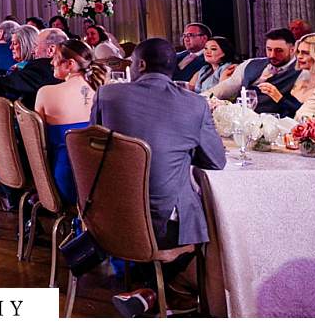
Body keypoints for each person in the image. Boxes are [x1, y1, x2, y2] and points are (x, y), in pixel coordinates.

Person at [92, 38, 226, 317]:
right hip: (163, 229)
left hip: (109, 218)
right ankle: (176, 297)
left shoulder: (107, 95)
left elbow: (93, 149)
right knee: (211, 216)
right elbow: (216, 161)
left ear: (140, 64)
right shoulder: (195, 105)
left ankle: (149, 293)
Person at [33, 39, 106, 205]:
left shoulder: (45, 93)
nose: (51, 62)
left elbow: (38, 145)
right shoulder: (102, 90)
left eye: (55, 58)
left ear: (70, 64)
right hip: (100, 180)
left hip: (66, 180)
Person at [204, 28, 300, 113]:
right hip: (240, 117)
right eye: (269, 49)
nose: (272, 55)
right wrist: (200, 99)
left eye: (279, 51)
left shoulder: (301, 72)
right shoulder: (250, 64)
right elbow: (225, 88)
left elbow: (298, 108)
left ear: (292, 50)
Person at [0, 25, 60, 110]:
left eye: (35, 46)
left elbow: (6, 84)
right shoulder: (27, 68)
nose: (32, 51)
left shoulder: (39, 68)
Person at [260, 33, 315, 118]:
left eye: (305, 53)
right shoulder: (300, 78)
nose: (299, 56)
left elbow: (307, 116)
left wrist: (279, 98)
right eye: (298, 52)